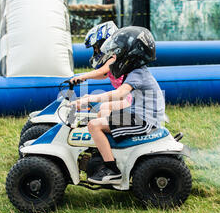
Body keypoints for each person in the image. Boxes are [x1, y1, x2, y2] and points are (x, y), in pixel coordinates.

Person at [72, 26, 165, 185]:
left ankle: (112, 170)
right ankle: (106, 156)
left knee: (94, 125)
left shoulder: (138, 73)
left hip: (143, 120)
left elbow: (120, 94)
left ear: (130, 54)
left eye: (119, 52)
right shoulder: (136, 71)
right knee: (102, 116)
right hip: (138, 115)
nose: (115, 57)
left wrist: (89, 99)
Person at [70, 21, 133, 118]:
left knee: (104, 109)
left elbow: (101, 71)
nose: (95, 51)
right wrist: (84, 78)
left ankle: (105, 130)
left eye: (96, 47)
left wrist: (83, 76)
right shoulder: (112, 62)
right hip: (124, 98)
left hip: (131, 100)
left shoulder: (114, 58)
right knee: (97, 109)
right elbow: (104, 76)